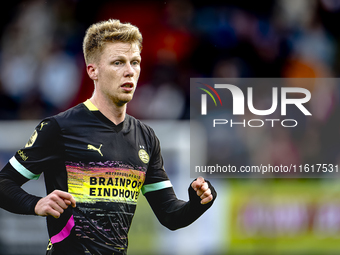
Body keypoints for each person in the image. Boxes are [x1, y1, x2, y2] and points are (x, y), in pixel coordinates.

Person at [0, 19, 216, 255]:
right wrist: (35, 203)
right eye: (118, 62)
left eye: (135, 62)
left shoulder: (146, 137)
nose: (129, 71)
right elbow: (4, 184)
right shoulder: (59, 128)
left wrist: (198, 203)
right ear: (93, 71)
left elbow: (170, 215)